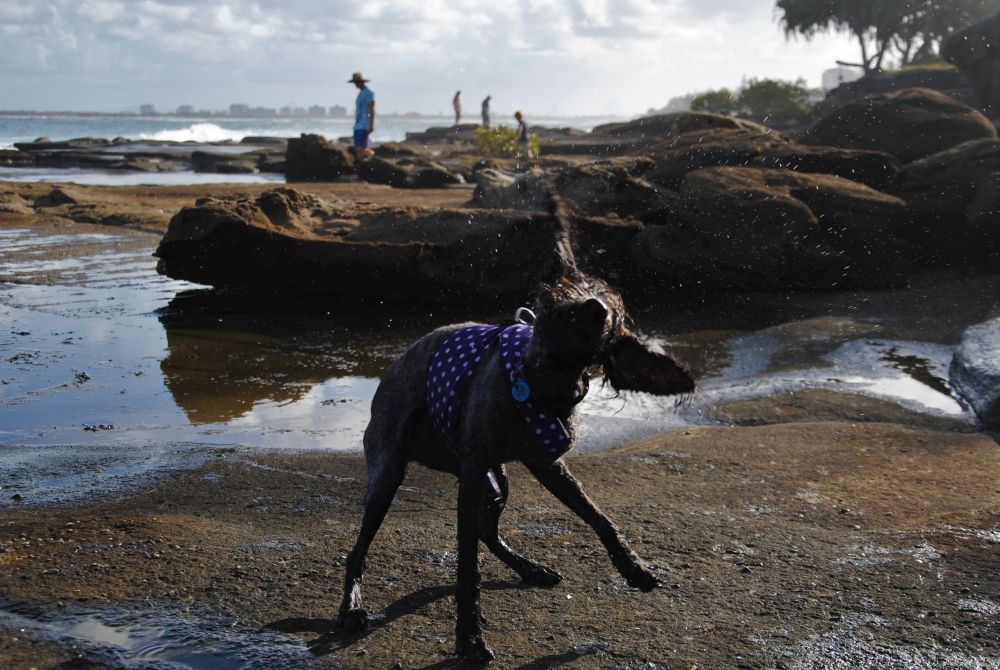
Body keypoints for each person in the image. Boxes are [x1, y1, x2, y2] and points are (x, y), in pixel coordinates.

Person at [348, 72, 375, 160]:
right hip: (358, 124)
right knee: (358, 148)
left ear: (362, 82)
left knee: (361, 148)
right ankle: (363, 163)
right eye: (355, 82)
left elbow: (372, 109)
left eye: (357, 82)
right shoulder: (360, 93)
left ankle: (370, 157)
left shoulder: (369, 92)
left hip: (364, 124)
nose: (356, 84)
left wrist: (371, 125)